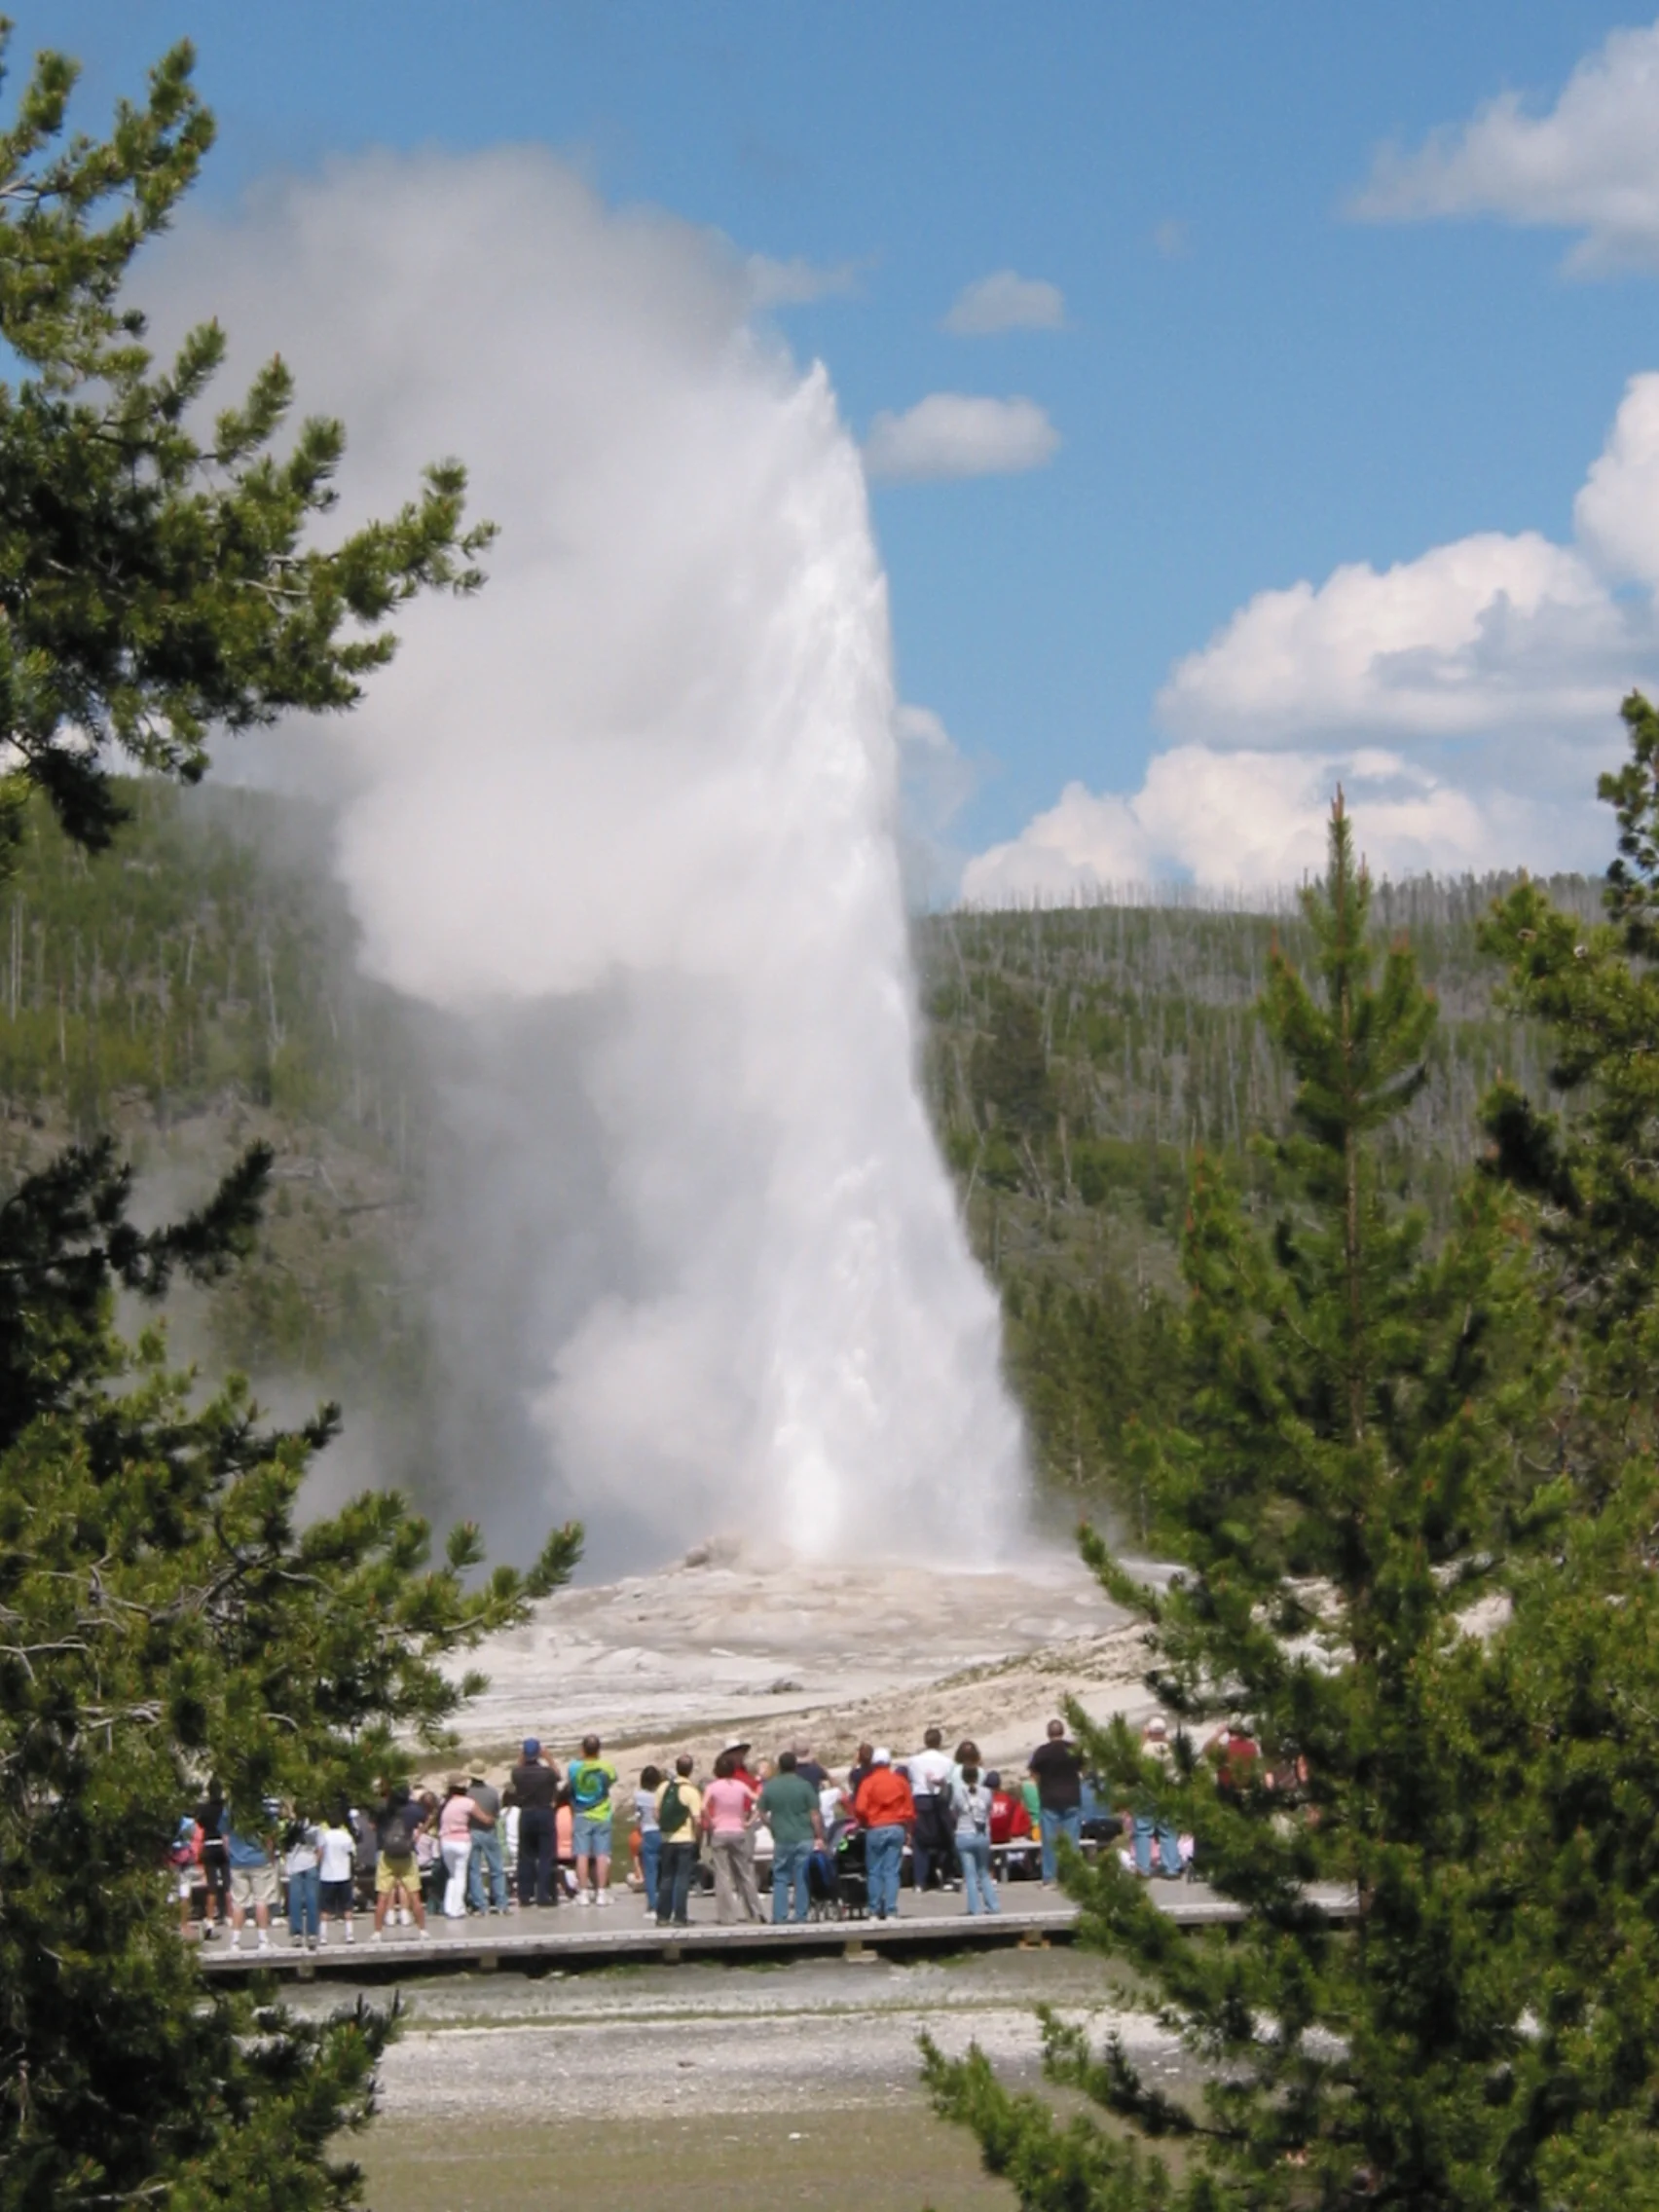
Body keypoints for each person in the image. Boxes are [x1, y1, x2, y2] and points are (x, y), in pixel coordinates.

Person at [757, 1750, 823, 1924]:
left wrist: (771, 1826)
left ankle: (780, 1915)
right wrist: (819, 1835)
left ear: (779, 1766)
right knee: (801, 1877)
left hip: (783, 1837)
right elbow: (815, 1814)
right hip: (804, 1836)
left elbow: (761, 1812)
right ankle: (800, 1915)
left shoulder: (771, 1786)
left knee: (780, 1877)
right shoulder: (805, 1785)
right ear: (795, 1766)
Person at [852, 1748, 914, 1921]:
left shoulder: (869, 1782)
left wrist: (865, 1820)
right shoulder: (900, 1781)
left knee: (874, 1871)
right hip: (896, 1827)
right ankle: (891, 1910)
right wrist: (909, 1830)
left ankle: (874, 1910)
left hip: (876, 1827)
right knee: (892, 1871)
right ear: (889, 1762)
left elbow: (859, 1807)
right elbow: (910, 1809)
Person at [702, 1749, 762, 1923]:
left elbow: (703, 1807)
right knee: (745, 1874)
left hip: (720, 1831)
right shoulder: (740, 1785)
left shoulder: (712, 1787)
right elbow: (758, 1800)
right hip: (738, 1830)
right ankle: (754, 1912)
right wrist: (750, 1821)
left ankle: (727, 1916)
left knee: (723, 1875)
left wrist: (711, 1821)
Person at [1029, 1717, 1086, 1885]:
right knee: (1072, 1841)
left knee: (1049, 1841)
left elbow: (1033, 1773)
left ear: (1048, 1733)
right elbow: (1084, 1769)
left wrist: (1041, 1784)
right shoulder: (1074, 1749)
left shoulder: (1042, 1752)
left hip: (1049, 1798)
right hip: (1071, 1797)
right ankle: (1073, 1876)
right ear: (1062, 1731)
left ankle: (1049, 1877)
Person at [371, 1784, 429, 1941]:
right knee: (414, 1895)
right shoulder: (414, 1809)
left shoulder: (384, 1808)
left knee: (382, 1896)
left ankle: (377, 1932)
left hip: (387, 1854)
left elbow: (373, 1825)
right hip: (407, 1854)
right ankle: (422, 1930)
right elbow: (426, 1818)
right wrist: (420, 1832)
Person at [568, 1735, 619, 1905]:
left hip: (581, 1813)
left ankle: (583, 1893)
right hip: (602, 1813)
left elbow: (572, 1785)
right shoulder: (607, 1767)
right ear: (598, 1749)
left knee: (581, 1854)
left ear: (583, 1749)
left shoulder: (574, 1767)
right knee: (601, 1854)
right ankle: (601, 1893)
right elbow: (610, 1781)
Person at [905, 1727, 956, 1894]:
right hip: (940, 1800)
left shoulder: (914, 1761)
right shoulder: (947, 1762)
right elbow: (949, 1783)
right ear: (940, 1742)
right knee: (944, 1840)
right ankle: (947, 1877)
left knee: (920, 1842)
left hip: (920, 1799)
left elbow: (913, 1779)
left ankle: (920, 1881)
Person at [511, 1739, 559, 1910]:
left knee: (525, 1855)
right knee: (546, 1855)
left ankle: (525, 1894)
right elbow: (557, 1776)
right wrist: (550, 1758)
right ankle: (544, 1893)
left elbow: (516, 1771)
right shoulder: (547, 1773)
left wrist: (521, 1758)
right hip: (544, 1811)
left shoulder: (517, 1774)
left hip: (527, 1813)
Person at [655, 1753, 703, 1926]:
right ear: (690, 1770)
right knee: (682, 1879)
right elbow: (698, 1820)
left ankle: (662, 1916)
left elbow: (656, 1813)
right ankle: (680, 1916)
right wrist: (698, 1839)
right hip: (685, 1839)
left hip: (667, 1839)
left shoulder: (663, 1787)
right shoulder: (691, 1791)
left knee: (666, 1878)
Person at [1133, 1715, 1183, 1879]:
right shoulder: (1168, 1750)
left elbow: (1134, 1759)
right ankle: (1172, 1866)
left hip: (1147, 1790)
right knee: (1168, 1830)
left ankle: (1143, 1867)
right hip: (1165, 1789)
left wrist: (1143, 1737)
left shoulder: (1145, 1749)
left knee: (1143, 1830)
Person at [226, 1807, 278, 1953]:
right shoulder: (264, 1810)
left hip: (237, 1860)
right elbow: (270, 1838)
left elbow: (225, 1836)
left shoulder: (230, 1810)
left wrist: (230, 1855)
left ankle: (235, 1942)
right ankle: (263, 1940)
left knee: (238, 1902)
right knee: (261, 1900)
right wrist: (270, 1856)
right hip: (259, 1859)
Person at [950, 1761, 999, 1915]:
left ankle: (974, 1908)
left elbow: (953, 1811)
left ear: (963, 1777)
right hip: (982, 1834)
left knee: (970, 1875)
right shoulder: (987, 1792)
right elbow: (990, 1809)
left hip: (964, 1834)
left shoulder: (958, 1792)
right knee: (984, 1871)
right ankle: (993, 1906)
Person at [464, 1767, 507, 1914]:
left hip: (472, 1831)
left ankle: (481, 1905)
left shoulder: (467, 1794)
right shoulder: (492, 1792)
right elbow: (496, 1812)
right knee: (496, 1868)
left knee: (474, 1870)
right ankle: (501, 1903)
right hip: (489, 1831)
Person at [438, 1775, 481, 1917]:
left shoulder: (446, 1803)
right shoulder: (467, 1802)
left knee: (452, 1876)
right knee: (461, 1875)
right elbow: (483, 1817)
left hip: (445, 1840)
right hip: (461, 1840)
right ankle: (457, 1909)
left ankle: (449, 1906)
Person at [317, 1803, 356, 1944]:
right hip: (344, 1875)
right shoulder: (346, 1836)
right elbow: (352, 1854)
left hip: (327, 1875)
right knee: (347, 1906)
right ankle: (349, 1934)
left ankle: (323, 1936)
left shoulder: (324, 1836)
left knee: (324, 1908)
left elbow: (320, 1854)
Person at [195, 1783, 230, 1939]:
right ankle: (228, 1914)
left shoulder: (204, 1809)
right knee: (228, 1883)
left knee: (212, 1886)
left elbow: (199, 1823)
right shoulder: (225, 1809)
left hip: (209, 1845)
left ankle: (210, 1917)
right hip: (223, 1844)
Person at [283, 1812, 321, 1948]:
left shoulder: (290, 1826)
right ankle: (312, 1934)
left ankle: (297, 1934)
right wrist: (316, 1862)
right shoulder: (315, 1828)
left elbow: (285, 1846)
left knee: (295, 1900)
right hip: (310, 1864)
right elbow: (320, 1849)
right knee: (312, 1899)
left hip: (295, 1866)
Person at [633, 1766, 662, 1918]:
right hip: (663, 1832)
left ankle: (652, 1906)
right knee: (665, 1872)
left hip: (648, 1832)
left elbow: (637, 1817)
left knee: (650, 1872)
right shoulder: (661, 1794)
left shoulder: (639, 1796)